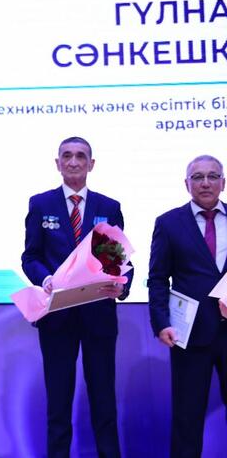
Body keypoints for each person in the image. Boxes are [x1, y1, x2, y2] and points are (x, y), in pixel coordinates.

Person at [21, 136, 131, 458]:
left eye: (80, 156)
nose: (73, 162)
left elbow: (119, 261)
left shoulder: (108, 207)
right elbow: (30, 256)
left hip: (98, 317)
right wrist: (46, 279)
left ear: (91, 164)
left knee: (104, 401)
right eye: (66, 156)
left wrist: (122, 285)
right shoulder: (40, 204)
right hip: (57, 317)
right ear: (57, 163)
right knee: (58, 404)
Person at [147, 154, 227, 458]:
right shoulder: (168, 223)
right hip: (190, 334)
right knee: (187, 418)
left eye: (212, 176)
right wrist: (161, 322)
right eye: (197, 177)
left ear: (223, 182)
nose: (205, 182)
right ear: (186, 184)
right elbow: (157, 279)